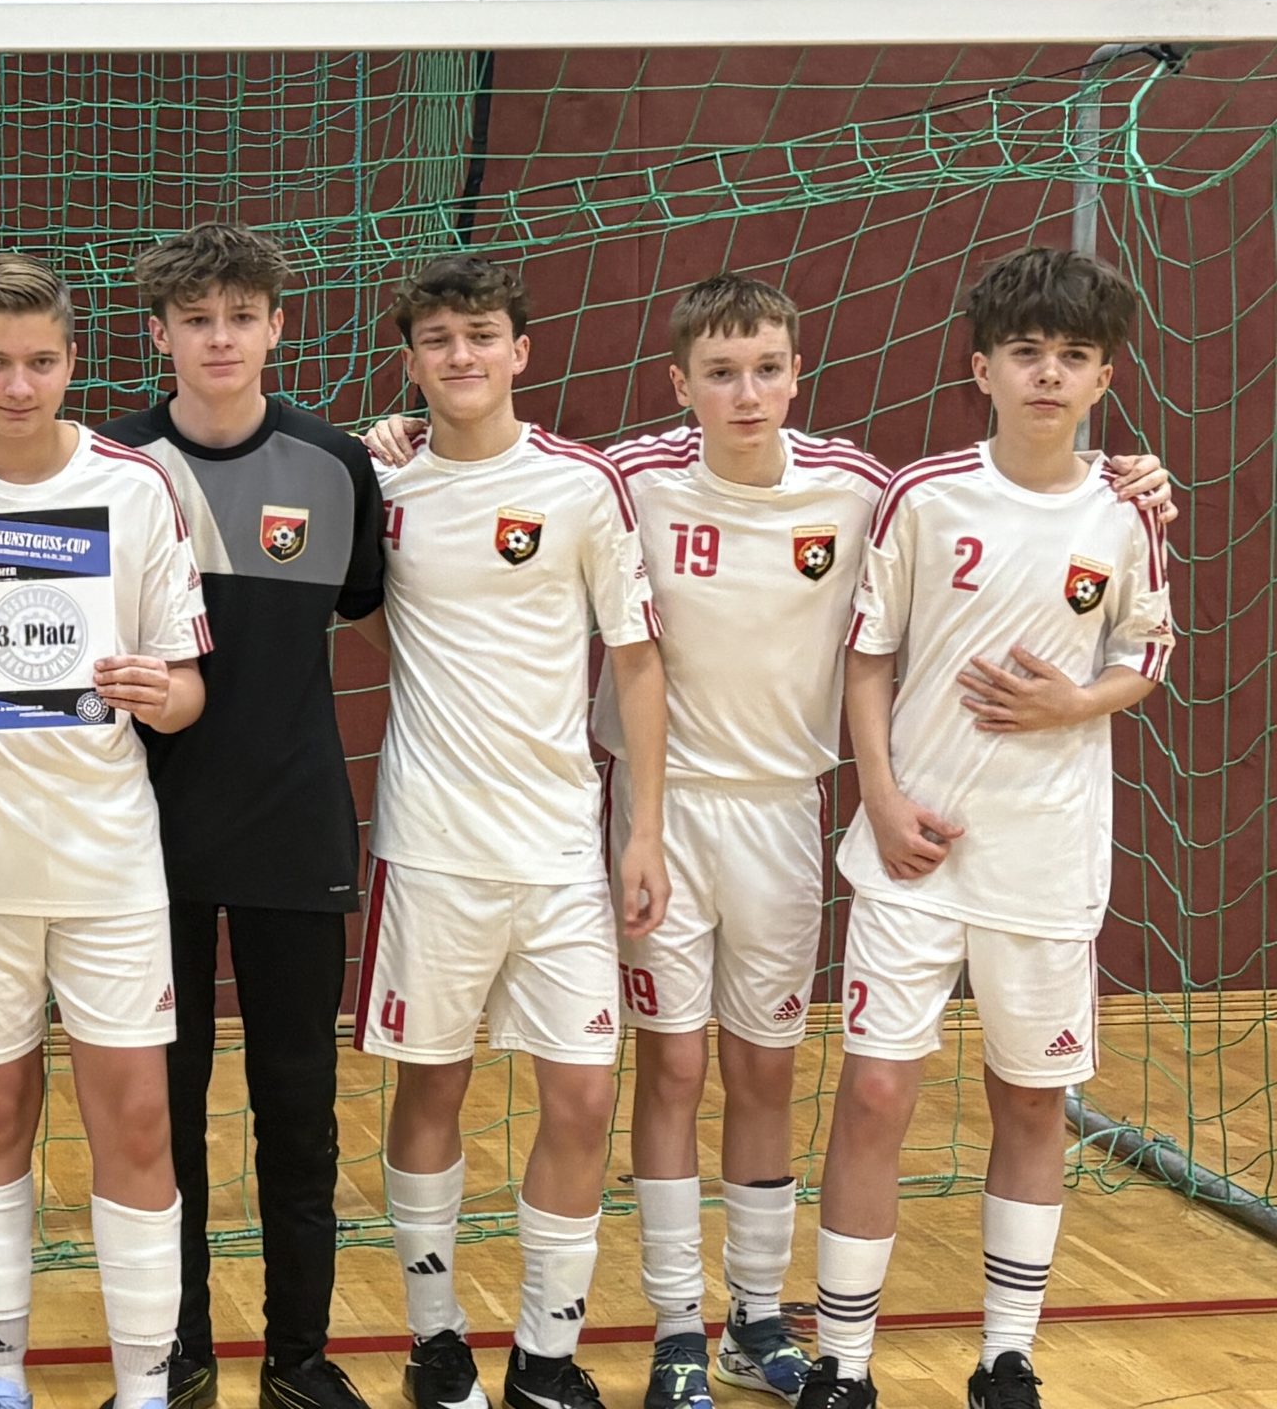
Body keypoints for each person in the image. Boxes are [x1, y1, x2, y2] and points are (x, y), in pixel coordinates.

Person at [366, 274, 1178, 1409]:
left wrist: (1132, 476)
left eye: (764, 371)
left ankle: (754, 1318)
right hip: (658, 810)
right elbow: (504, 461)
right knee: (670, 1066)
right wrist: (399, 437)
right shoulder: (627, 479)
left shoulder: (865, 490)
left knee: (763, 1068)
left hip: (786, 812)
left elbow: (1005, 507)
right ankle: (675, 1330)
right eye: (719, 373)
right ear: (678, 385)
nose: (744, 394)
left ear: (797, 376)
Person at [799, 248, 1173, 1409]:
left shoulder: (1128, 510)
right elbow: (866, 657)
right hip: (913, 851)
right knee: (874, 1093)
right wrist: (878, 796)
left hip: (1046, 860)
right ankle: (842, 1362)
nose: (1046, 374)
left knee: (1029, 1099)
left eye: (1071, 356)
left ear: (1103, 377)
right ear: (982, 370)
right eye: (1025, 353)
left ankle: (1006, 1354)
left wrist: (1079, 702)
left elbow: (1144, 653)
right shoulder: (924, 497)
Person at [0, 253, 209, 1409]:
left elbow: (187, 684)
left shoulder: (135, 487)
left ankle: (146, 1387)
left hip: (109, 866)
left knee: (137, 1123)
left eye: (40, 362)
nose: (17, 386)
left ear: (73, 363)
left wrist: (161, 695)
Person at [346, 255, 667, 1409]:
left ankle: (544, 1355)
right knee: (431, 1090)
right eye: (437, 339)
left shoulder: (581, 485)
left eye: (481, 335)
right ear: (411, 359)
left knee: (581, 1098)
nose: (461, 355)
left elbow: (635, 659)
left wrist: (642, 832)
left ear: (519, 351)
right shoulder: (382, 485)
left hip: (562, 854)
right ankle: (435, 1342)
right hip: (431, 851)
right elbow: (375, 617)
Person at [98, 224, 385, 1409]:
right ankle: (177, 1356)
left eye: (240, 316)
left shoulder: (337, 464)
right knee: (159, 1116)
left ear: (276, 326)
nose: (220, 339)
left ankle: (298, 1361)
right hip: (139, 838)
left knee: (298, 1113)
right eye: (195, 319)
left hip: (292, 824)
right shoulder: (111, 466)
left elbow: (361, 598)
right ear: (157, 333)